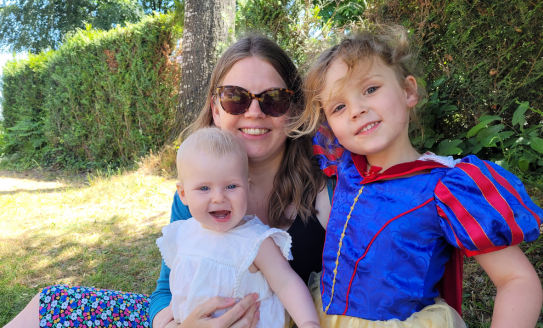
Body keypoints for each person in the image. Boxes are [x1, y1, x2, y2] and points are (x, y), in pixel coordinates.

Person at [6, 35, 330, 328]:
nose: (254, 112)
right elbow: (165, 289)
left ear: (294, 109)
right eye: (236, 98)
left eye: (273, 98)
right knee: (51, 306)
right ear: (216, 109)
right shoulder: (195, 190)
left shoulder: (325, 184)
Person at [292, 26, 543, 328]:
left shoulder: (444, 188)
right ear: (330, 124)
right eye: (339, 106)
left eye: (370, 89)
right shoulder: (344, 165)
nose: (356, 110)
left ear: (408, 91)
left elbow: (516, 279)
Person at [157, 127, 321, 328]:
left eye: (231, 186)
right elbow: (178, 284)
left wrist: (308, 322)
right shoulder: (183, 233)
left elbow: (286, 282)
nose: (219, 198)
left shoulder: (255, 240)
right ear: (182, 194)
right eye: (204, 188)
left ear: (247, 185)